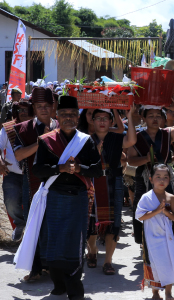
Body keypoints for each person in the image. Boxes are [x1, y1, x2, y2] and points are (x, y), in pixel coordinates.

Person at [15, 94, 102, 300]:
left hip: (78, 198)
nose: (69, 118)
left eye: (73, 114)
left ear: (78, 117)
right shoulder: (46, 141)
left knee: (74, 244)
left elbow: (98, 171)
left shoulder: (86, 141)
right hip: (54, 198)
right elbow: (38, 170)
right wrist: (59, 168)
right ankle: (58, 285)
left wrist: (79, 168)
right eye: (64, 114)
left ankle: (74, 289)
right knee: (53, 243)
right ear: (58, 115)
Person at [128, 100, 174, 245]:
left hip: (164, 177)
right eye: (150, 116)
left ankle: (168, 240)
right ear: (144, 118)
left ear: (162, 118)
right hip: (145, 177)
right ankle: (145, 244)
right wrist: (145, 159)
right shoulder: (137, 136)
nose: (155, 119)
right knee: (145, 209)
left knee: (168, 208)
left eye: (158, 116)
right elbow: (131, 160)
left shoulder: (168, 133)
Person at [14, 87, 59, 282]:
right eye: (39, 106)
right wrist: (42, 141)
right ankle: (36, 269)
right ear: (33, 107)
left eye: (47, 106)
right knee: (34, 224)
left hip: (59, 183)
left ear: (53, 107)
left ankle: (54, 267)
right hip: (32, 182)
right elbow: (18, 155)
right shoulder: (24, 129)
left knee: (55, 225)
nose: (43, 109)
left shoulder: (64, 125)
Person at [85, 106, 137, 275]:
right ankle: (92, 250)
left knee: (113, 224)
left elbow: (132, 141)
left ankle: (108, 261)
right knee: (91, 224)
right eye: (98, 118)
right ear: (92, 121)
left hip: (114, 182)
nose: (101, 121)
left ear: (111, 122)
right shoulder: (85, 140)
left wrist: (128, 115)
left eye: (105, 118)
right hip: (92, 183)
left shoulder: (116, 138)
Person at [136, 164, 174, 300]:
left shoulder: (171, 198)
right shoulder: (146, 197)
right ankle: (155, 293)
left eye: (165, 177)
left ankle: (168, 293)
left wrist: (165, 212)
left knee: (168, 263)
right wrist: (157, 210)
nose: (162, 180)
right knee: (153, 263)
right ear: (151, 179)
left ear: (169, 180)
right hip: (151, 237)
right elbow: (140, 216)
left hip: (166, 237)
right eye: (158, 177)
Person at [0, 100, 33, 241]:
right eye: (20, 111)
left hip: (33, 174)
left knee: (32, 206)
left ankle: (32, 236)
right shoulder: (7, 128)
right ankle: (19, 224)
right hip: (12, 173)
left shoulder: (38, 127)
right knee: (11, 202)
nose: (23, 113)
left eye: (26, 110)